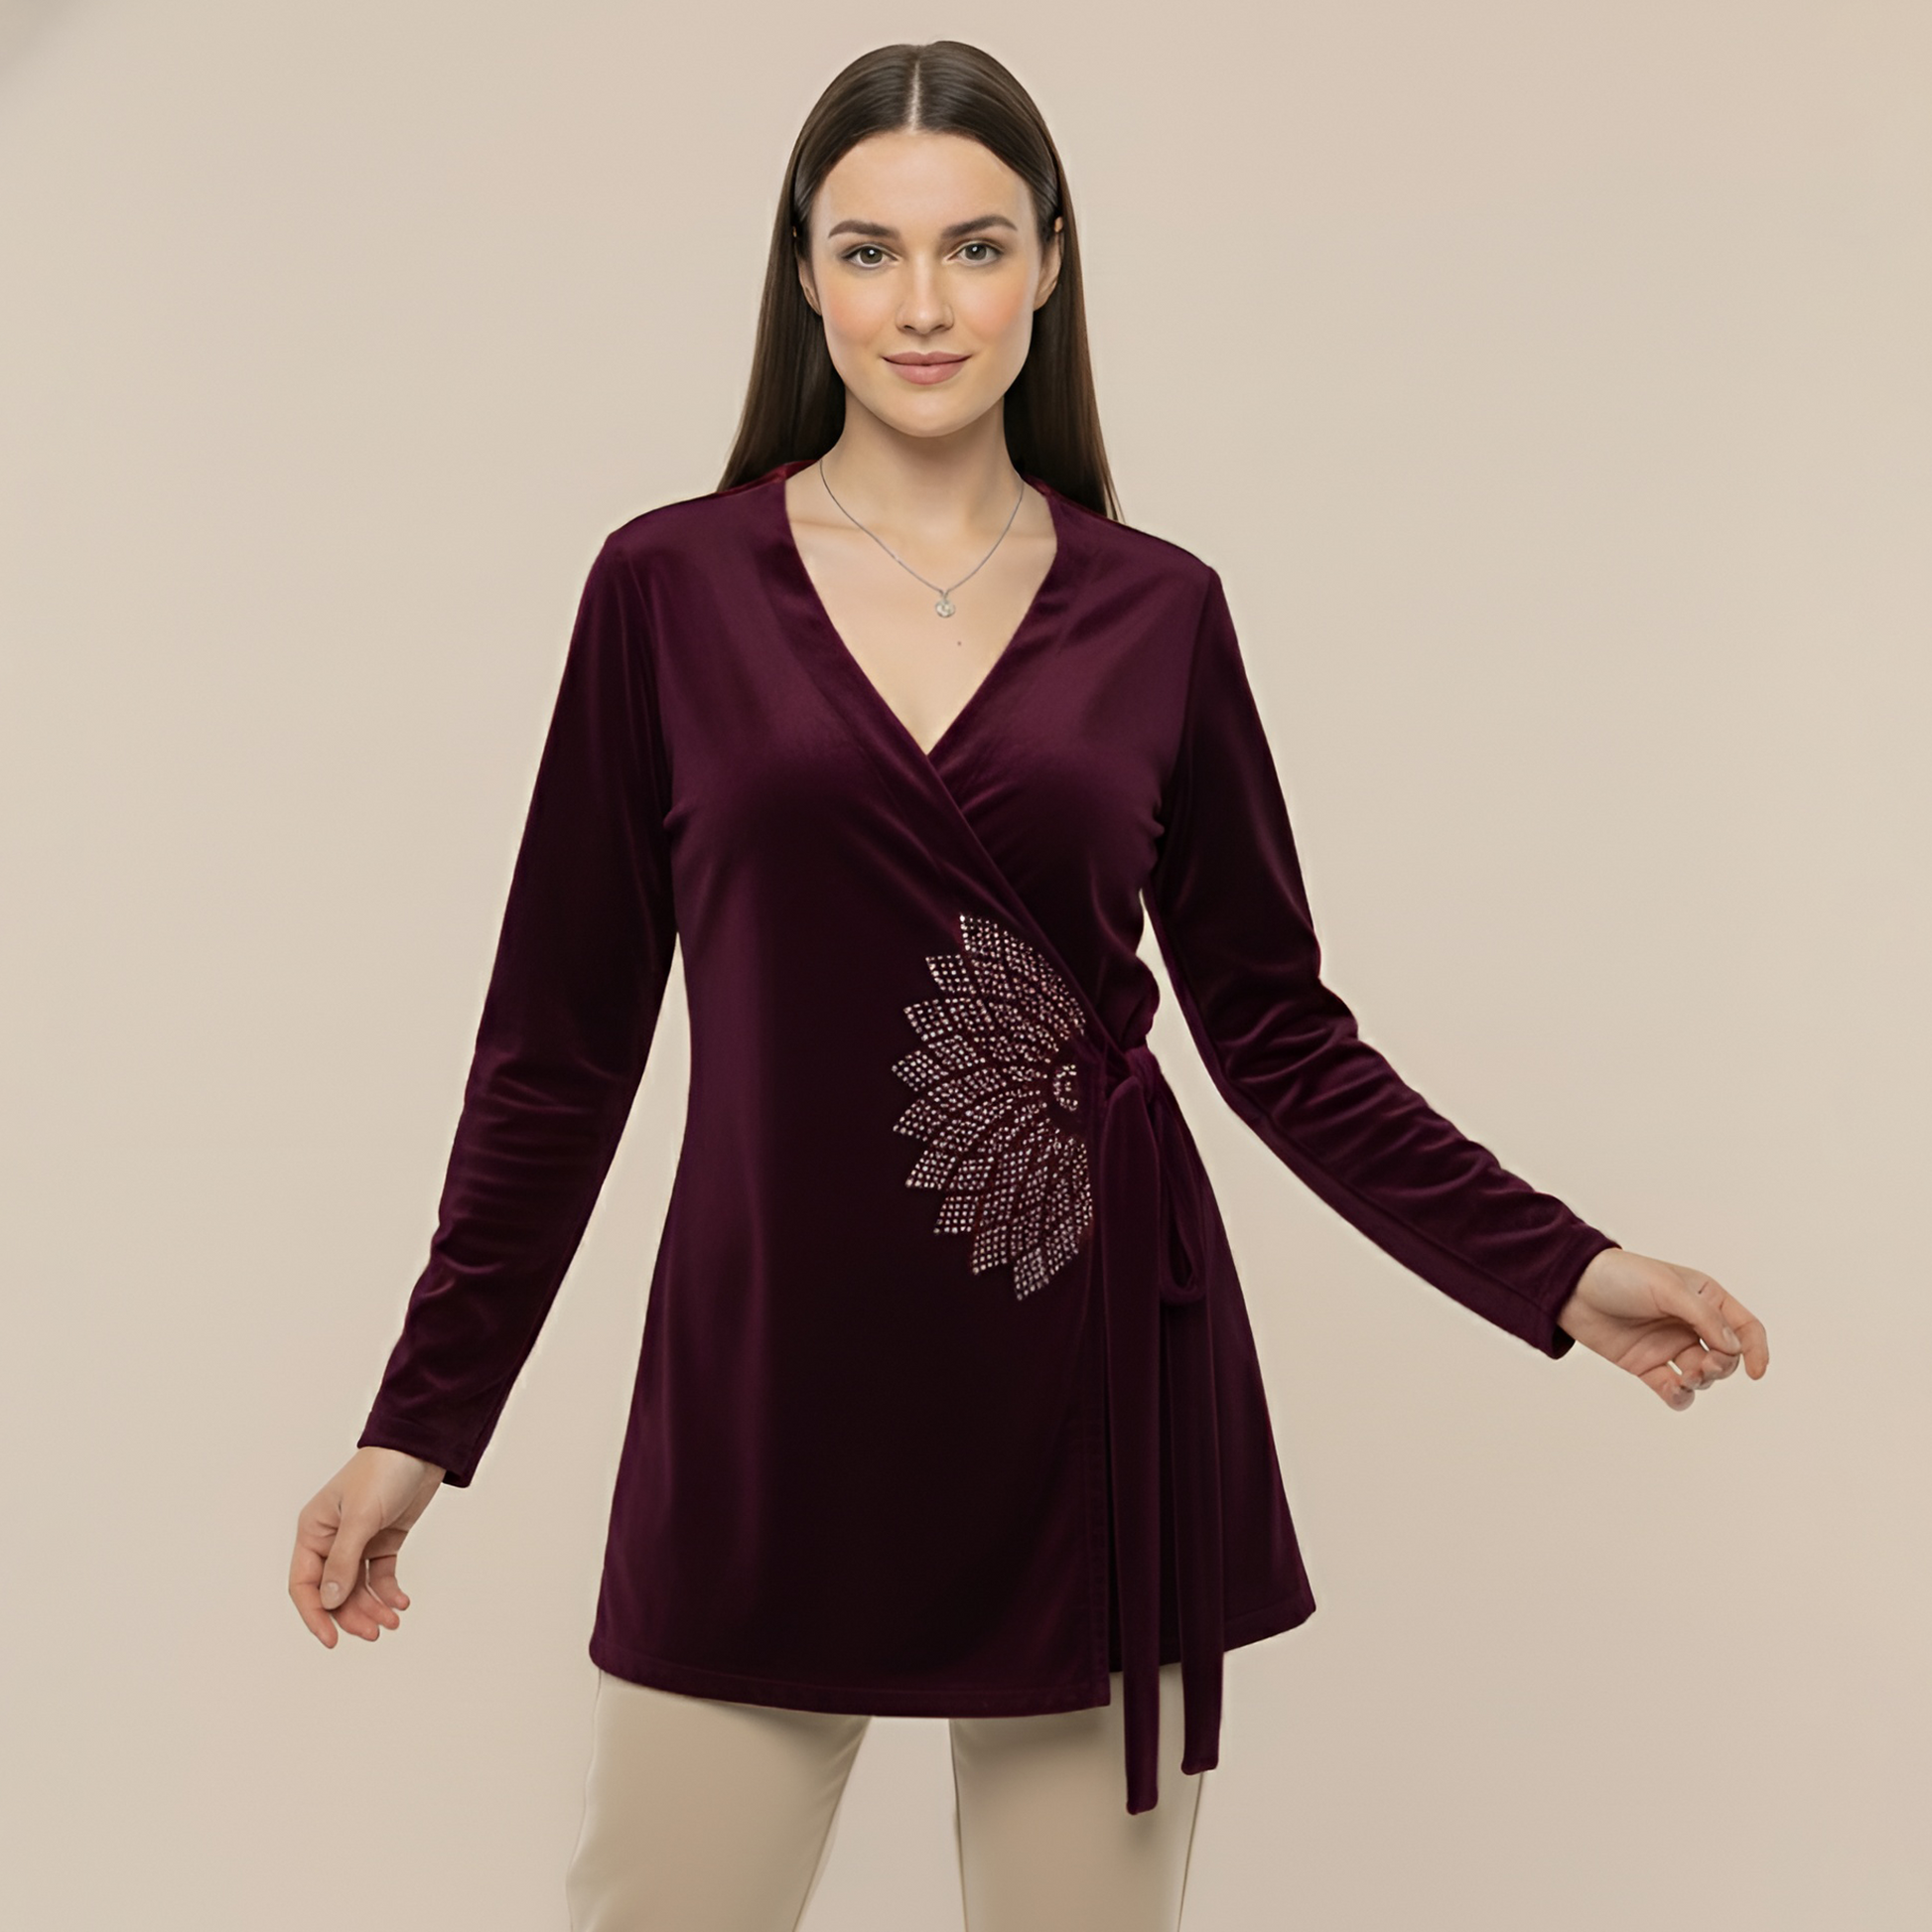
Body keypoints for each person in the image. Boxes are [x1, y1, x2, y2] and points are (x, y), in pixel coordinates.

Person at [287, 39, 1771, 1932]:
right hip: (767, 1396)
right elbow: (557, 1051)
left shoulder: (1159, 611)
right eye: (871, 250)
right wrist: (422, 1419)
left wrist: (1559, 1271)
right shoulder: (664, 591)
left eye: (974, 247)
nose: (923, 303)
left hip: (1093, 1403)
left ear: (1050, 265)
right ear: (802, 274)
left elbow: (1278, 1036)